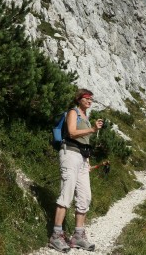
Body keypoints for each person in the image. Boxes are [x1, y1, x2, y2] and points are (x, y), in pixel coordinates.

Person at [49, 89, 104, 253]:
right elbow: (72, 132)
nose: (90, 100)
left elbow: (85, 142)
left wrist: (88, 161)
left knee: (85, 196)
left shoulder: (86, 119)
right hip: (70, 154)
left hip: (83, 159)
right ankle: (56, 235)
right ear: (79, 99)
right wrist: (93, 130)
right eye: (87, 98)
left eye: (91, 98)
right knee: (66, 193)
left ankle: (78, 236)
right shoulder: (73, 112)